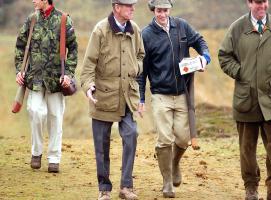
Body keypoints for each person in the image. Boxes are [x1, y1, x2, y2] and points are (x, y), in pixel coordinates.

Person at [218, 0, 271, 199]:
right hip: (247, 99)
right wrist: (240, 72)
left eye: (264, 1)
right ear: (249, 3)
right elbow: (224, 56)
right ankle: (251, 188)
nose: (261, 5)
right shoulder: (237, 28)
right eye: (257, 2)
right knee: (247, 148)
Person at [137, 0, 211, 198]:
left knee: (183, 138)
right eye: (159, 10)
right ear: (154, 10)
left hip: (183, 94)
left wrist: (205, 57)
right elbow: (142, 72)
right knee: (164, 139)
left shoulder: (182, 26)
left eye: (166, 10)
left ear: (170, 10)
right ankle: (167, 181)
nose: (162, 14)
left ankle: (175, 163)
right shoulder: (146, 34)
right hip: (160, 94)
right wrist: (142, 98)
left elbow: (200, 41)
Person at [80, 0, 144, 199]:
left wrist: (136, 67)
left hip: (127, 95)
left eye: (133, 5)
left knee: (131, 134)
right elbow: (89, 64)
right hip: (103, 97)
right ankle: (104, 189)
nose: (133, 8)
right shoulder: (100, 30)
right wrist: (88, 86)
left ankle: (126, 187)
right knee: (101, 144)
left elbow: (141, 55)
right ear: (117, 7)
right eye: (128, 5)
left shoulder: (135, 29)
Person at [15, 0, 78, 173]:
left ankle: (54, 158)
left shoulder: (64, 20)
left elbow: (72, 49)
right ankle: (36, 152)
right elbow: (20, 46)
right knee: (35, 111)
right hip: (34, 78)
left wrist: (68, 74)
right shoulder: (31, 19)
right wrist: (19, 71)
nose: (33, 1)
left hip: (56, 80)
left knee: (56, 117)